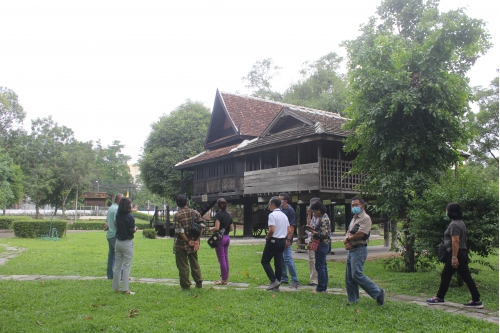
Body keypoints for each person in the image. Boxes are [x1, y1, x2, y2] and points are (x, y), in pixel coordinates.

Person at [426, 203, 483, 308]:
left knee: (445, 275)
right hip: (462, 252)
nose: (446, 212)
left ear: (450, 212)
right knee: (466, 277)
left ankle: (439, 297)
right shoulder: (461, 223)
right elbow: (464, 239)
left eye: (446, 210)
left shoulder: (454, 225)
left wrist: (454, 257)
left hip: (456, 253)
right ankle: (476, 300)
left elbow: (456, 241)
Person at [343, 197, 384, 305]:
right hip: (351, 249)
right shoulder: (354, 218)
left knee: (356, 274)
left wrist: (348, 239)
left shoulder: (365, 218)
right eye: (352, 205)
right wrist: (347, 242)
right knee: (349, 277)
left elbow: (361, 234)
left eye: (356, 205)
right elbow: (349, 231)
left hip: (359, 249)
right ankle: (353, 299)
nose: (354, 207)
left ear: (363, 205)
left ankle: (378, 292)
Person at [173, 194, 205, 290]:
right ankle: (199, 283)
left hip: (181, 244)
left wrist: (187, 241)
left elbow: (179, 231)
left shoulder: (177, 215)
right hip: (194, 243)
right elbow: (202, 226)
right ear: (187, 203)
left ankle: (186, 285)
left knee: (183, 266)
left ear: (177, 204)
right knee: (194, 263)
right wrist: (197, 240)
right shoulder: (195, 213)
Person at [261, 196, 289, 291]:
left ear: (273, 204)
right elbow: (289, 230)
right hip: (282, 241)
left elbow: (272, 229)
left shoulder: (272, 215)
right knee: (278, 263)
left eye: (269, 203)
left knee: (264, 261)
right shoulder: (284, 215)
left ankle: (274, 280)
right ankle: (277, 284)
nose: (269, 205)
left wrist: (267, 237)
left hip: (274, 240)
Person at [112, 197, 137, 295]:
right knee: (127, 266)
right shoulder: (130, 217)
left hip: (118, 242)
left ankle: (116, 287)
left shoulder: (118, 215)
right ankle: (125, 289)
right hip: (127, 243)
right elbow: (131, 230)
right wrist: (135, 229)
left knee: (117, 265)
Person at [207, 198, 234, 285]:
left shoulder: (218, 215)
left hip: (220, 239)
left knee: (221, 260)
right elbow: (232, 228)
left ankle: (223, 280)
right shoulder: (229, 215)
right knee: (225, 259)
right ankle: (225, 278)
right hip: (227, 238)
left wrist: (210, 229)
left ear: (218, 205)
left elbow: (217, 228)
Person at [307, 201, 331, 293]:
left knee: (320, 266)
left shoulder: (324, 219)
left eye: (314, 212)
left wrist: (313, 231)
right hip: (322, 244)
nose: (313, 213)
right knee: (322, 266)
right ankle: (323, 286)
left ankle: (321, 288)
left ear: (319, 210)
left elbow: (323, 234)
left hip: (322, 244)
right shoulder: (321, 218)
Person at [279, 193, 300, 288]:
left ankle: (295, 280)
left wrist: (288, 239)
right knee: (281, 258)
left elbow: (292, 226)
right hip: (280, 237)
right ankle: (284, 278)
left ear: (285, 201)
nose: (279, 201)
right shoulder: (280, 210)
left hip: (287, 238)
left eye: (280, 199)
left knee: (287, 258)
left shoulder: (290, 210)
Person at [104, 193, 123, 279]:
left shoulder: (111, 208)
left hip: (109, 234)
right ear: (119, 200)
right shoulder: (117, 209)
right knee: (119, 255)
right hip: (115, 234)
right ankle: (121, 274)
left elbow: (106, 222)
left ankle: (110, 274)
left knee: (111, 255)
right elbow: (116, 222)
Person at [306, 197, 321, 286]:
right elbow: (309, 225)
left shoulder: (321, 216)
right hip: (311, 239)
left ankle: (316, 280)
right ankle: (314, 279)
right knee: (311, 259)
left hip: (316, 240)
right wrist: (309, 214)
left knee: (316, 260)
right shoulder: (313, 216)